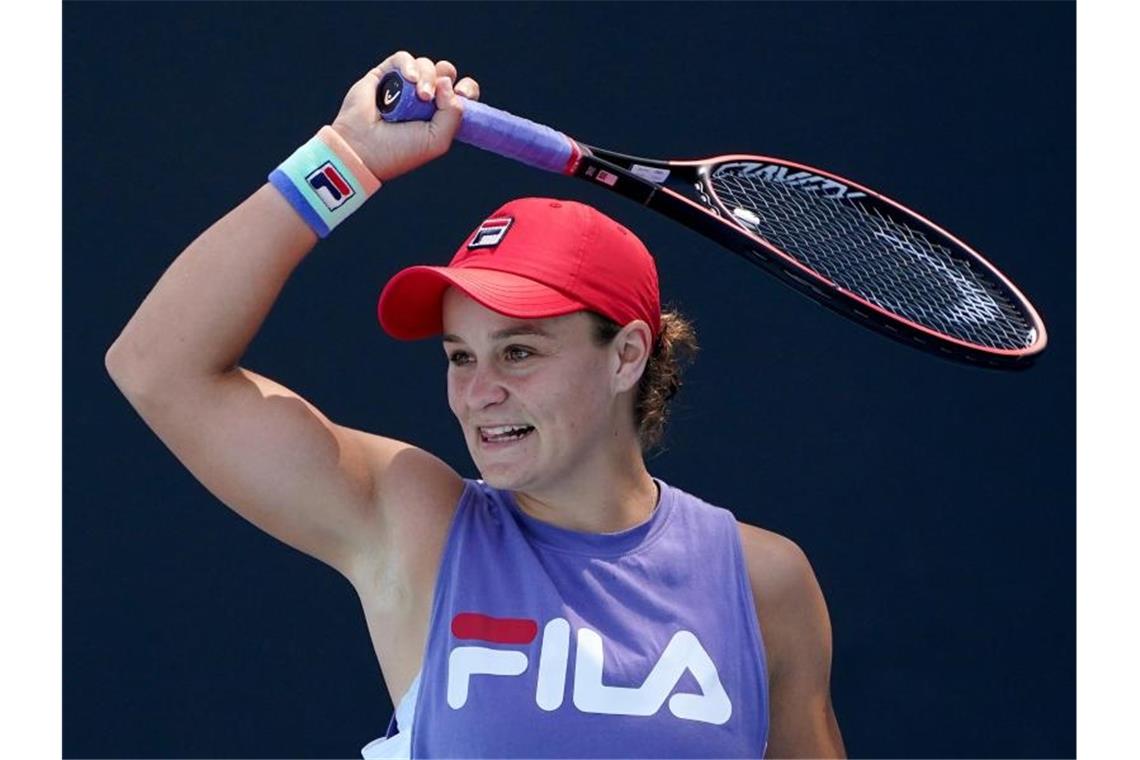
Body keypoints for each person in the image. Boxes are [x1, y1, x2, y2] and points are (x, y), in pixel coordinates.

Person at [105, 51, 846, 758]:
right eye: (461, 356)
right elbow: (157, 367)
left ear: (626, 356)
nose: (480, 391)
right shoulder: (412, 522)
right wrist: (345, 156)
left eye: (519, 352)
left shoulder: (763, 581)